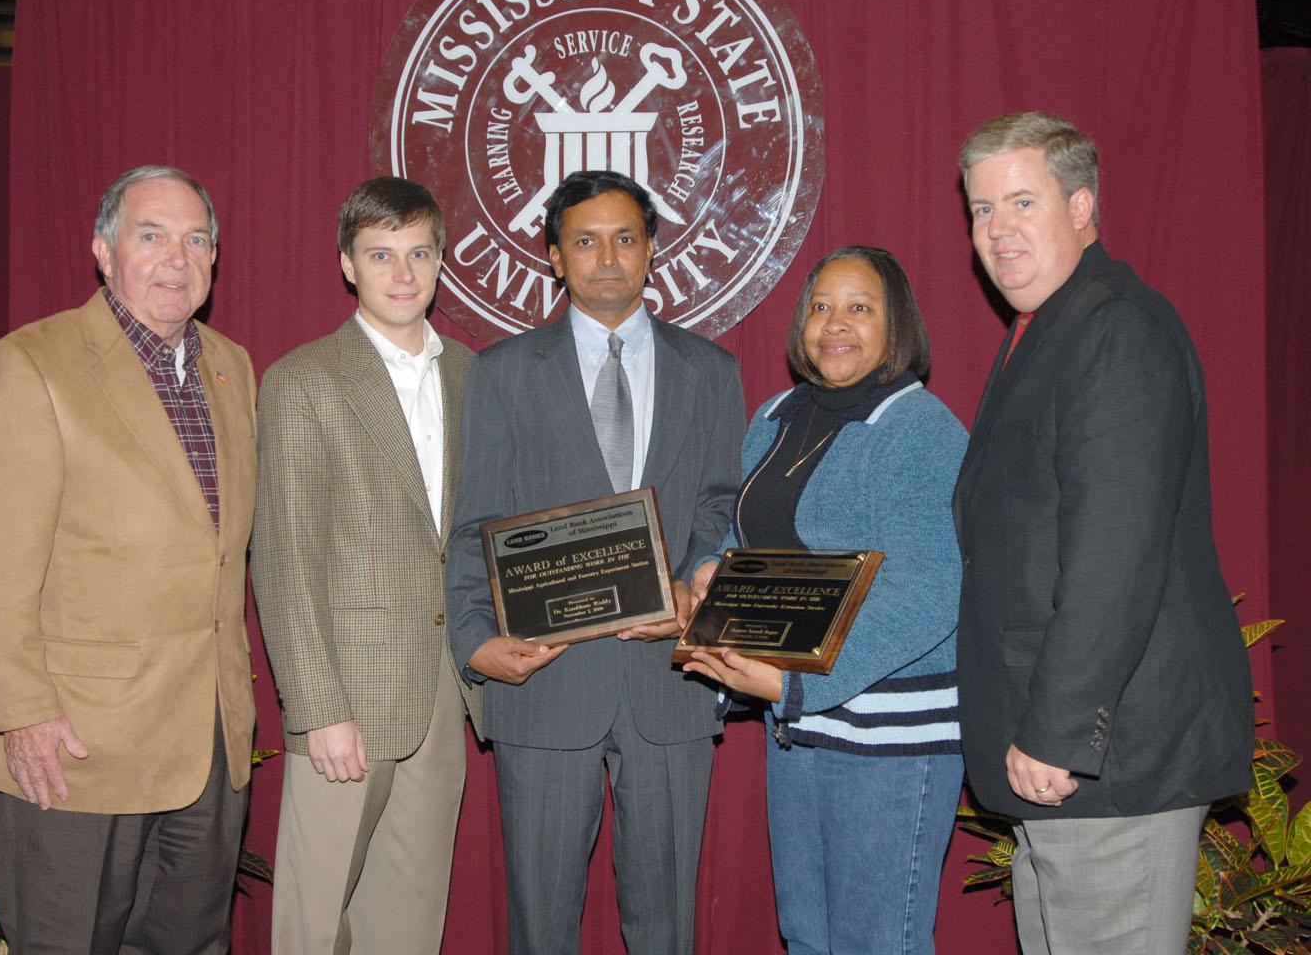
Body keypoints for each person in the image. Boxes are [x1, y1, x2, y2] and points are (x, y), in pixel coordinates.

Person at [952, 111, 1254, 954]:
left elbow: (1113, 556)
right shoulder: (1049, 332)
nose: (997, 231)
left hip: (1109, 760)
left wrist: (1055, 734)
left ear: (1083, 207)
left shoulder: (1114, 328)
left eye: (1022, 202)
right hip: (1071, 763)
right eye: (981, 210)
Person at [0, 165, 257, 952]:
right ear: (103, 252)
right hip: (76, 748)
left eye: (196, 240)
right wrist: (21, 713)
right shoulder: (32, 364)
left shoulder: (231, 366)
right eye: (150, 236)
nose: (176, 259)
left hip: (207, 744)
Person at [445, 169, 746, 955]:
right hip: (545, 681)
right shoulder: (504, 372)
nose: (606, 257)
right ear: (553, 256)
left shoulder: (711, 371)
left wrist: (694, 581)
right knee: (540, 924)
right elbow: (476, 519)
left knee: (668, 924)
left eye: (624, 238)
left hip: (670, 681)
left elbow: (722, 504)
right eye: (584, 240)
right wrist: (474, 642)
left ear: (651, 251)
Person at [683, 246, 968, 955]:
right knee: (808, 937)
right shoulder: (777, 413)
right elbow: (741, 530)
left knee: (880, 943)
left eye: (859, 308)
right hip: (799, 728)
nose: (834, 324)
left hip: (888, 737)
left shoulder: (922, 429)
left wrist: (799, 684)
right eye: (820, 306)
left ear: (895, 323)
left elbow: (931, 591)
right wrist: (709, 571)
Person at [252, 176, 482, 954]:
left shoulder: (472, 377)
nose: (403, 273)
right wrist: (317, 708)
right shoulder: (303, 380)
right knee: (312, 926)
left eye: (419, 253)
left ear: (441, 259)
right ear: (348, 264)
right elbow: (284, 559)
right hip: (345, 701)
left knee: (408, 923)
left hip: (443, 696)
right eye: (381, 255)